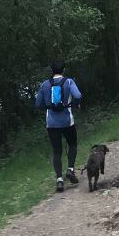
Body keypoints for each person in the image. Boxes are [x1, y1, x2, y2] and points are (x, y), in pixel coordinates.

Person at [34, 61, 83, 192]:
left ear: (51, 70)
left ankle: (59, 180)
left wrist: (48, 106)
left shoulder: (45, 84)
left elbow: (38, 104)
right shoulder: (69, 82)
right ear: (64, 69)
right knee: (72, 144)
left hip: (51, 123)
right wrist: (74, 104)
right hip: (67, 121)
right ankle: (70, 169)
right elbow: (78, 95)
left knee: (57, 151)